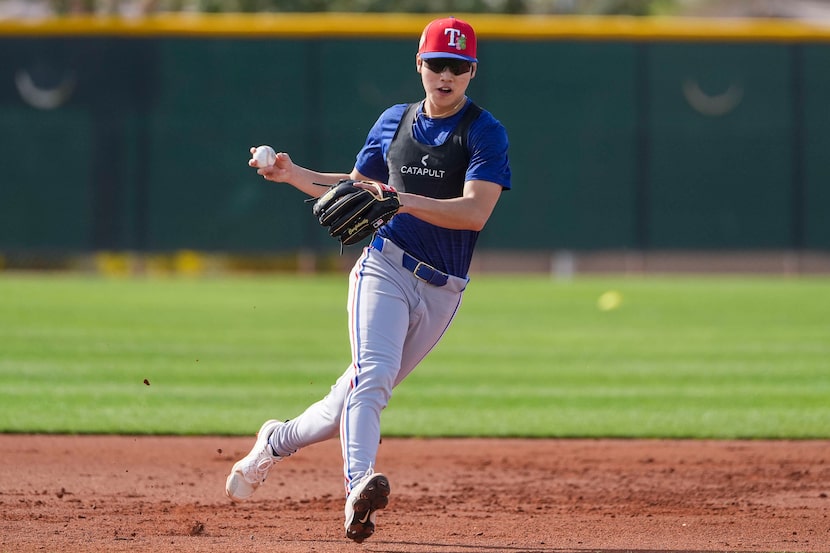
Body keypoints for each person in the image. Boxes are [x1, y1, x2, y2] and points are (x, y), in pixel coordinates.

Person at [225, 16, 511, 543]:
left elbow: (474, 213)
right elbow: (357, 189)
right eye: (436, 64)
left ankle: (275, 440)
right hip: (385, 265)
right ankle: (359, 486)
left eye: (457, 66)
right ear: (419, 65)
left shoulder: (484, 132)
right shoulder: (393, 122)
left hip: (444, 288)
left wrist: (400, 198)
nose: (445, 75)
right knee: (372, 378)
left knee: (350, 398)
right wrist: (293, 174)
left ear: (471, 72)